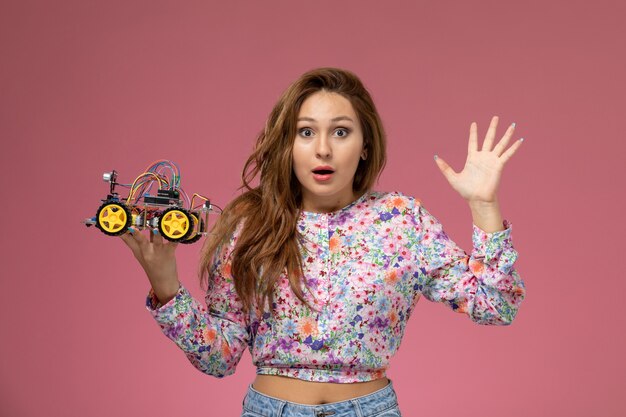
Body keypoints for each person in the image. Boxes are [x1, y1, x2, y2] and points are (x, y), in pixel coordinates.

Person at [120, 67, 526, 417]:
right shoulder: (249, 223)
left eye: (341, 132)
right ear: (287, 143)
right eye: (306, 132)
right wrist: (166, 286)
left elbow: (496, 305)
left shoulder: (401, 219)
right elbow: (220, 358)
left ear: (365, 146)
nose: (323, 149)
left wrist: (483, 204)